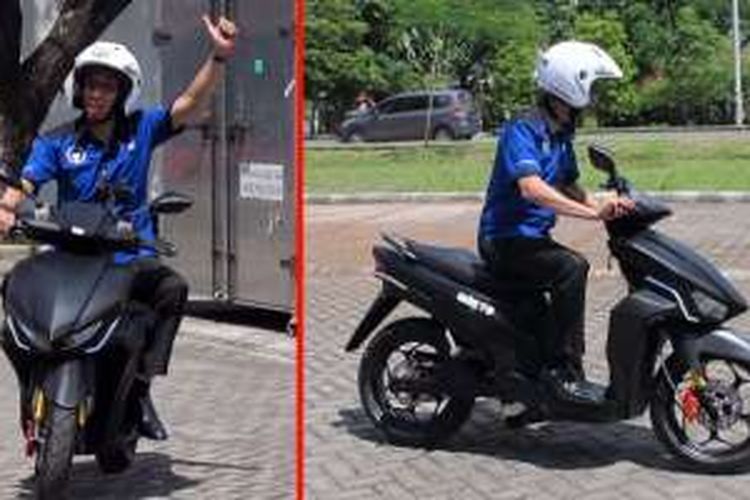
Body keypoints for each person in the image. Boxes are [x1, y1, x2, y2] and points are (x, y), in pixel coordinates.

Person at [0, 14, 238, 440]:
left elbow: (189, 104)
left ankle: (142, 388)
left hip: (128, 256)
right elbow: (27, 181)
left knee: (171, 289)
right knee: (14, 292)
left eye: (107, 86)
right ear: (79, 89)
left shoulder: (141, 130)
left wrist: (218, 57)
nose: (96, 93)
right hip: (71, 257)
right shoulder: (58, 141)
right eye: (90, 84)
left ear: (123, 93)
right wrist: (7, 208)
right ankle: (32, 380)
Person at [477, 41, 634, 406]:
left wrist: (606, 201)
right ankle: (565, 372)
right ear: (570, 86)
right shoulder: (522, 130)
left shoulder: (561, 134)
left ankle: (535, 382)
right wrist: (594, 214)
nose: (593, 97)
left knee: (547, 307)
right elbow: (532, 189)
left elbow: (567, 185)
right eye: (591, 88)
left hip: (530, 240)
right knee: (570, 268)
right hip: (504, 240)